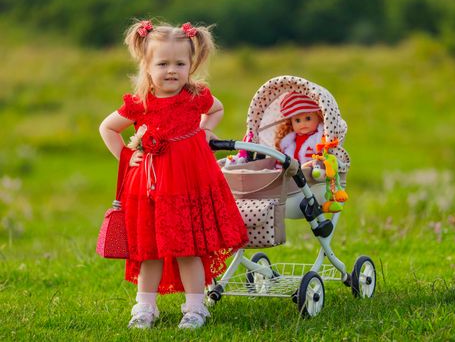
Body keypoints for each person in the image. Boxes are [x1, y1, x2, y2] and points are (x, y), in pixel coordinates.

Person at [99, 20, 248, 330]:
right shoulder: (142, 102)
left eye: (180, 63)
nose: (172, 70)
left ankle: (195, 308)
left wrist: (206, 130)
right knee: (149, 249)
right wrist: (129, 157)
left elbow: (217, 109)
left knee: (189, 247)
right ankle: (145, 307)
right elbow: (108, 128)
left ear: (190, 64)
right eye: (163, 63)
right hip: (150, 187)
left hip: (190, 182)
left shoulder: (194, 96)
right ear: (147, 65)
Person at [274, 91, 324, 166]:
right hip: (295, 170)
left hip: (310, 170)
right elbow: (283, 151)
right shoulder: (291, 139)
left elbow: (321, 152)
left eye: (308, 118)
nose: (302, 124)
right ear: (291, 122)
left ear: (318, 118)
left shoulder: (318, 137)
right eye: (297, 120)